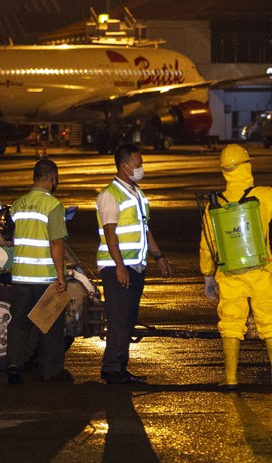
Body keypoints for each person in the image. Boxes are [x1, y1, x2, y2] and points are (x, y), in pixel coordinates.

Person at [200, 144, 272, 390]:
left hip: (229, 273)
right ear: (247, 165)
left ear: (224, 170)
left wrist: (207, 276)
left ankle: (231, 378)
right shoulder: (262, 196)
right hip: (261, 271)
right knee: (271, 320)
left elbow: (207, 245)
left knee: (231, 322)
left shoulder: (214, 205)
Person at [96, 144, 172, 384]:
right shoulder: (110, 194)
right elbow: (110, 234)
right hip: (117, 267)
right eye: (138, 164)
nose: (141, 168)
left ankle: (119, 368)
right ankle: (111, 369)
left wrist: (158, 257)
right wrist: (119, 266)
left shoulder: (136, 193)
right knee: (119, 319)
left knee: (128, 319)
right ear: (124, 165)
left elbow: (144, 228)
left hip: (135, 266)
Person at [6, 158, 69, 384]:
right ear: (53, 178)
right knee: (50, 323)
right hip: (44, 276)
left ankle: (14, 365)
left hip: (21, 275)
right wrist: (61, 276)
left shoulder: (18, 204)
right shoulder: (53, 205)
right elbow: (56, 243)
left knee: (19, 323)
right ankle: (49, 370)